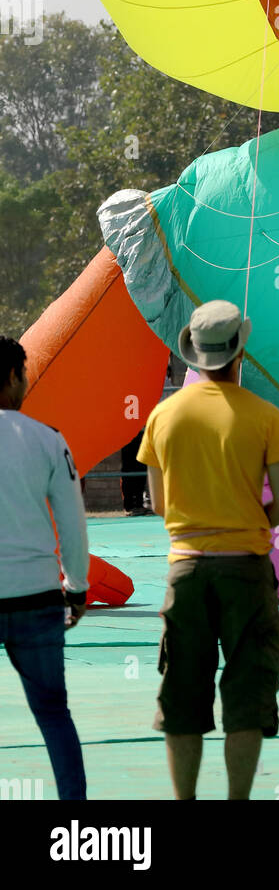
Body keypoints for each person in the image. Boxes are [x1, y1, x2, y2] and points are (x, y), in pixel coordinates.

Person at [139, 300, 279, 800]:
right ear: (239, 353)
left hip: (185, 568)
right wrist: (250, 521)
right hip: (247, 571)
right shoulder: (266, 416)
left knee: (183, 696)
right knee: (248, 694)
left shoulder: (163, 415)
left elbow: (162, 505)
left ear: (194, 352)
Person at [0, 336, 89, 800]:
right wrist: (76, 588)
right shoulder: (49, 439)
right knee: (54, 714)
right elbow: (73, 524)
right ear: (14, 376)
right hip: (36, 597)